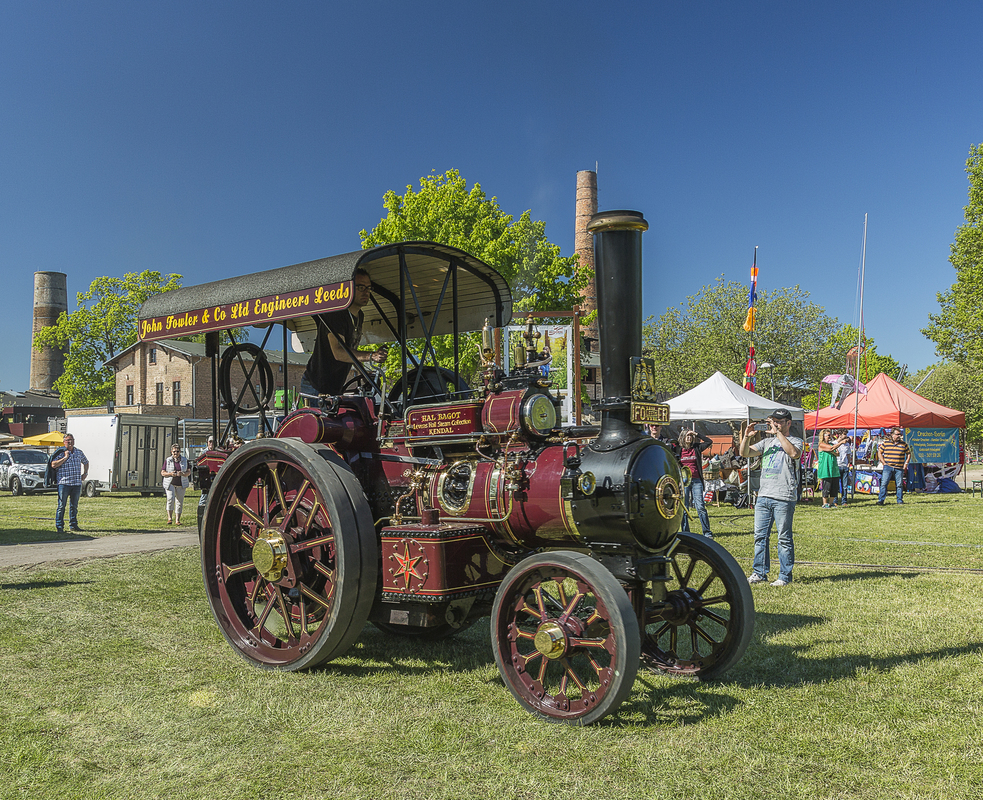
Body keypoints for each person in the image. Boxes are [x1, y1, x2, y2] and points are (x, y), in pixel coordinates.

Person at [740, 409, 802, 587]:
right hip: (764, 495)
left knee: (784, 538)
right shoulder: (766, 442)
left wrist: (779, 434)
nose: (775, 424)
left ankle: (784, 576)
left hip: (784, 496)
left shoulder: (796, 440)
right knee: (760, 536)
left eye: (780, 421)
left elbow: (793, 453)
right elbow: (745, 453)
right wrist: (746, 437)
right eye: (773, 421)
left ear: (788, 423)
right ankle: (759, 572)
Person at [303, 268, 388, 396]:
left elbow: (351, 351)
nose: (366, 292)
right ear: (349, 288)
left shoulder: (360, 316)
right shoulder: (336, 314)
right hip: (316, 386)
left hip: (335, 386)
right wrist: (371, 356)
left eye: (368, 288)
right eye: (360, 287)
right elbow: (338, 352)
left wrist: (364, 375)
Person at [677, 429, 714, 538]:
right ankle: (685, 532)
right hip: (684, 482)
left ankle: (707, 532)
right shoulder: (679, 450)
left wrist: (697, 434)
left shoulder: (696, 447)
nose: (689, 438)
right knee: (685, 508)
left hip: (696, 480)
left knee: (700, 507)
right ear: (682, 437)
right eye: (687, 436)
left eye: (690, 436)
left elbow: (709, 441)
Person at [51, 433, 89, 533]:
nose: (70, 442)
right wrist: (64, 458)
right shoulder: (60, 452)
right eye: (68, 440)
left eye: (72, 440)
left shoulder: (78, 452)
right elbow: (53, 465)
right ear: (64, 442)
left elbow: (86, 462)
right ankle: (59, 526)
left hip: (76, 483)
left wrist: (85, 473)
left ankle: (73, 525)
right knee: (61, 505)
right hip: (64, 483)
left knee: (74, 506)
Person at [877, 427, 910, 505]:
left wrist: (906, 463)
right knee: (884, 484)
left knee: (899, 485)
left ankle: (899, 500)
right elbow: (879, 452)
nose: (899, 436)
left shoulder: (904, 444)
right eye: (897, 434)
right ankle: (881, 500)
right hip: (888, 467)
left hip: (899, 468)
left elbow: (908, 454)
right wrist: (883, 462)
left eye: (900, 434)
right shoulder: (886, 443)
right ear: (892, 434)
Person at [816, 429, 848, 509]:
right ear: (823, 436)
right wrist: (840, 443)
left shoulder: (831, 444)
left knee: (834, 487)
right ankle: (825, 503)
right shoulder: (821, 444)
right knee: (827, 486)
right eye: (828, 435)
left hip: (833, 468)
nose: (830, 437)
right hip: (825, 469)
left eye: (830, 435)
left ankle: (831, 503)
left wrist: (832, 449)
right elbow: (831, 449)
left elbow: (837, 453)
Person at [161, 443, 191, 525]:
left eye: (177, 451)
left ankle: (177, 520)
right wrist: (170, 474)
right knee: (170, 499)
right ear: (171, 452)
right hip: (170, 483)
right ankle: (169, 518)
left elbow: (189, 472)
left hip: (181, 484)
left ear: (180, 452)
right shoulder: (168, 460)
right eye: (174, 451)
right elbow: (163, 473)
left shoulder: (184, 460)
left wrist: (183, 474)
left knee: (179, 501)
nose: (176, 453)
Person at [836, 432, 853, 505]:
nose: (846, 436)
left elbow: (848, 454)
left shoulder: (847, 444)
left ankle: (844, 501)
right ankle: (835, 501)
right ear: (839, 435)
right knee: (835, 485)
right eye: (844, 434)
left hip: (845, 466)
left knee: (845, 485)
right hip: (836, 466)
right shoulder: (833, 443)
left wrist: (849, 463)